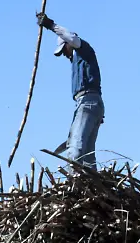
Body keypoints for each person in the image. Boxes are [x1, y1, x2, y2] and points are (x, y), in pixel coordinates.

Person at [36, 12, 103, 167]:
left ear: (68, 44)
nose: (65, 54)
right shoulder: (83, 61)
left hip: (87, 102)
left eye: (63, 49)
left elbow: (71, 38)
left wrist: (50, 25)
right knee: (87, 154)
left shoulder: (82, 49)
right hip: (93, 102)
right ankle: (90, 182)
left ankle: (76, 178)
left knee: (75, 148)